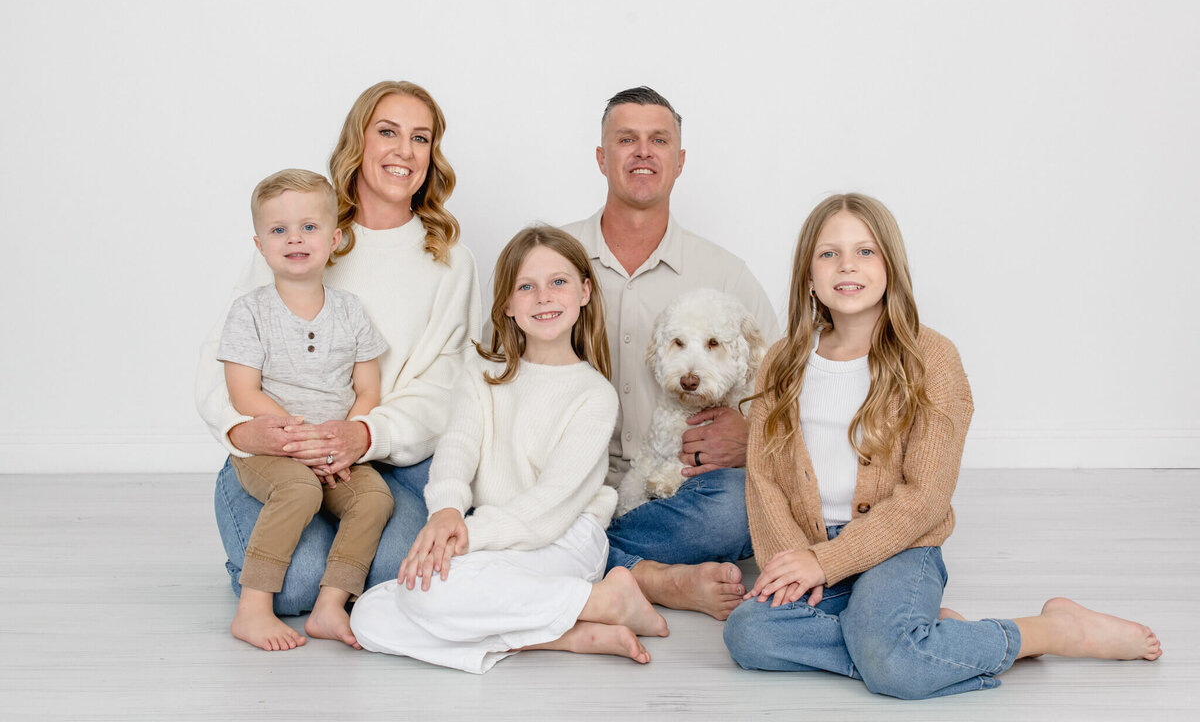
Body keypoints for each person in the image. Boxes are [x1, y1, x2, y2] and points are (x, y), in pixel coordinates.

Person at [723, 193, 1162, 699]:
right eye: (829, 253)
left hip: (902, 546)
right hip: (810, 545)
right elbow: (764, 480)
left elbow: (925, 497)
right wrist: (793, 563)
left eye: (865, 251)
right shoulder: (783, 361)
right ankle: (912, 638)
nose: (847, 265)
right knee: (748, 633)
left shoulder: (932, 357)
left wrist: (828, 564)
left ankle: (1051, 630)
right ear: (809, 275)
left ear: (891, 265)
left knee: (894, 667)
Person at [196, 81, 482, 626]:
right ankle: (259, 527)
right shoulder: (303, 233)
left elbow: (447, 385)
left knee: (393, 572)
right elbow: (221, 360)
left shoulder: (450, 260)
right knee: (295, 584)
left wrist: (364, 434)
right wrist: (243, 430)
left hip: (385, 459)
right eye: (388, 132)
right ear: (359, 141)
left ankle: (328, 553)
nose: (404, 151)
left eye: (420, 138)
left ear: (432, 155)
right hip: (281, 448)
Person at [349, 227, 668, 672]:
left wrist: (470, 537)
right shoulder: (482, 373)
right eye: (526, 286)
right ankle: (575, 629)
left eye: (558, 282)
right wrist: (447, 512)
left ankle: (595, 595)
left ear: (584, 292)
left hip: (563, 538)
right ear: (507, 305)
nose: (543, 297)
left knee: (428, 593)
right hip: (491, 536)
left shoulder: (593, 395)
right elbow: (457, 448)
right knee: (368, 614)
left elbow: (549, 505)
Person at [560, 86, 780, 621]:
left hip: (685, 491)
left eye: (658, 140)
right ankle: (655, 577)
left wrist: (752, 436)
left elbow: (783, 391)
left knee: (735, 510)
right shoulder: (553, 257)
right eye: (625, 139)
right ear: (601, 157)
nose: (642, 152)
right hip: (571, 482)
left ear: (679, 161)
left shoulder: (726, 273)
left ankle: (586, 559)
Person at [217, 168, 393, 650]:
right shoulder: (249, 311)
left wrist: (341, 438)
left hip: (334, 449)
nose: (295, 238)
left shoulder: (351, 310)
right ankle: (252, 609)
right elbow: (243, 392)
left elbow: (367, 390)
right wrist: (299, 440)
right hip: (273, 449)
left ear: (335, 238)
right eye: (279, 230)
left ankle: (330, 605)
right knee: (298, 490)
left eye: (309, 227)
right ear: (260, 245)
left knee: (375, 498)